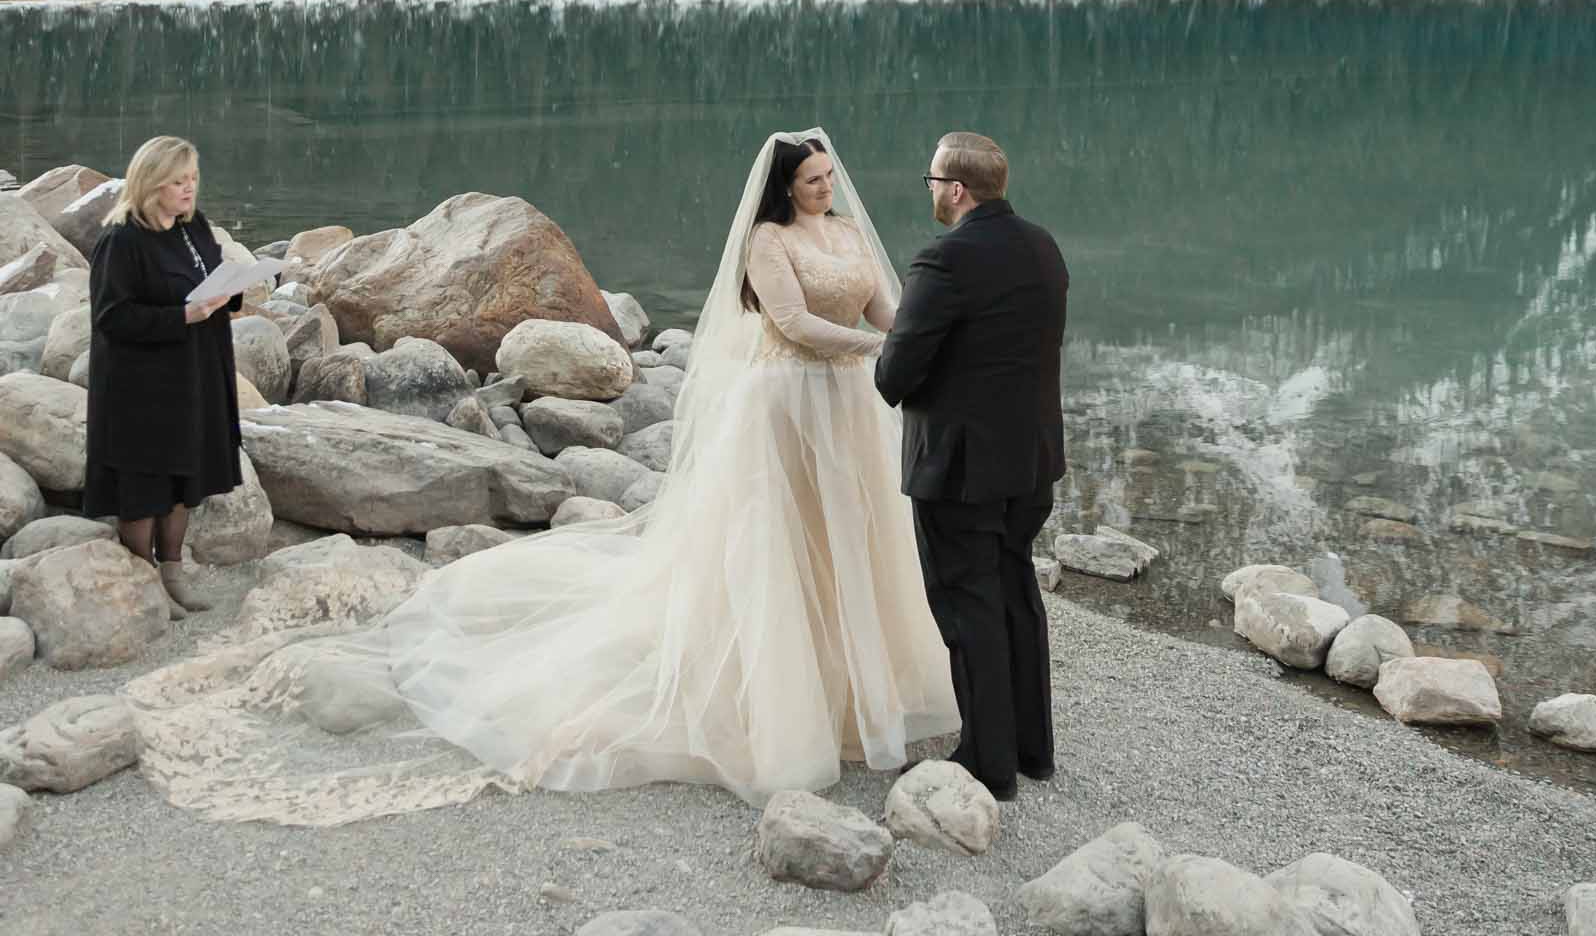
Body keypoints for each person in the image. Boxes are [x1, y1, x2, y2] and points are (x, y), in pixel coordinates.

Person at [135, 128, 957, 824]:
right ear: (784, 189)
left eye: (827, 181)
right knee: (781, 538)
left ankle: (857, 676)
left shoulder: (845, 234)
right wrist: (876, 349)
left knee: (854, 532)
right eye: (812, 183)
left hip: (848, 407)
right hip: (786, 403)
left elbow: (879, 307)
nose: (824, 190)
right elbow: (792, 322)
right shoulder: (767, 243)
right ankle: (782, 689)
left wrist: (907, 335)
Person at [875, 130, 1069, 801]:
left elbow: (896, 373)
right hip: (1033, 459)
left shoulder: (945, 261)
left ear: (956, 189)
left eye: (932, 182)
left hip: (961, 470)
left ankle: (986, 762)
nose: (930, 192)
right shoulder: (1043, 245)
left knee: (968, 609)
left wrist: (889, 356)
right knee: (1015, 593)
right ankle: (1031, 749)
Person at [85, 135, 242, 618]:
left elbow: (213, 281)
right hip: (141, 385)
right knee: (145, 480)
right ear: (152, 184)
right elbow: (112, 317)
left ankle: (173, 571)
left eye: (193, 178)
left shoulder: (194, 228)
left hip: (194, 372)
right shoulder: (122, 241)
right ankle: (145, 580)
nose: (189, 189)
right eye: (178, 181)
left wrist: (232, 293)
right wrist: (184, 316)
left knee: (186, 471)